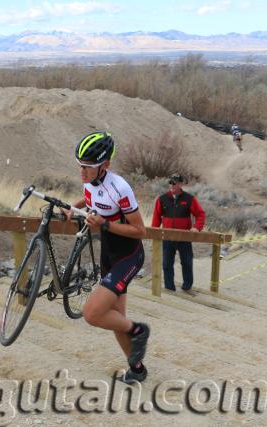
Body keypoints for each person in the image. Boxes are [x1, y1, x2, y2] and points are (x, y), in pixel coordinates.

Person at [63, 131, 150, 384]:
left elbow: (140, 231)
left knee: (92, 314)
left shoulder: (120, 187)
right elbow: (91, 197)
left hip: (129, 256)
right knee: (115, 318)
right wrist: (73, 207)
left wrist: (104, 225)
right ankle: (137, 368)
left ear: (106, 165)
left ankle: (139, 331)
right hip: (109, 254)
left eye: (88, 167)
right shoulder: (90, 181)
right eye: (80, 166)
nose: (82, 172)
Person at [151, 173, 206, 292]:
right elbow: (156, 218)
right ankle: (169, 288)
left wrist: (197, 227)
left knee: (186, 263)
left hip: (184, 237)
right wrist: (153, 232)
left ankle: (187, 287)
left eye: (174, 183)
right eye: (170, 182)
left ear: (181, 184)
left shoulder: (189, 199)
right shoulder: (162, 199)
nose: (171, 185)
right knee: (166, 264)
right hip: (167, 237)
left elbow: (200, 214)